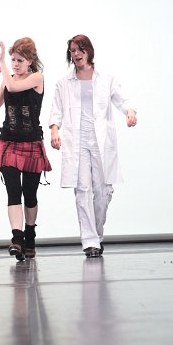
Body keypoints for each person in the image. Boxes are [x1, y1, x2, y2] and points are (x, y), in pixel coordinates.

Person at [49, 34, 137, 258]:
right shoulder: (64, 82)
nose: (76, 54)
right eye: (72, 51)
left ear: (89, 51)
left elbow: (122, 99)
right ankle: (90, 242)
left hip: (101, 140)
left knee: (103, 191)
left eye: (80, 49)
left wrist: (130, 112)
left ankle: (96, 234)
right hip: (76, 140)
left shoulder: (105, 78)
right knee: (83, 190)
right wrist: (54, 131)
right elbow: (56, 110)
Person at [0, 37, 51, 260]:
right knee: (13, 191)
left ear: (30, 61)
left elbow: (14, 87)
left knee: (30, 194)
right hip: (9, 142)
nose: (14, 64)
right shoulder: (8, 79)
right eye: (12, 59)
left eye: (19, 60)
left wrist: (2, 62)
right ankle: (17, 238)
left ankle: (30, 235)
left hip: (31, 142)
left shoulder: (37, 78)